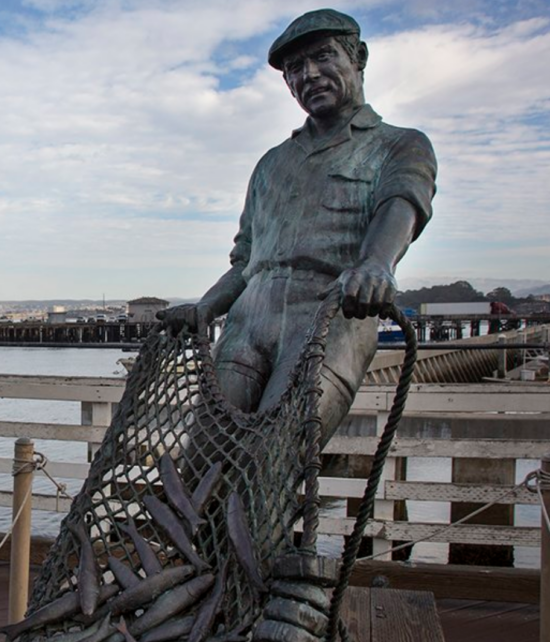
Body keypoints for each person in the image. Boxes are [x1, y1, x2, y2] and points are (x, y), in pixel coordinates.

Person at [162, 9, 437, 443]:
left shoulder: (399, 145)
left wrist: (376, 264)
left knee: (275, 460)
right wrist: (206, 307)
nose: (308, 75)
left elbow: (403, 202)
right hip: (249, 323)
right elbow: (245, 261)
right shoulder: (271, 164)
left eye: (323, 57)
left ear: (358, 57)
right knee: (203, 455)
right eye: (294, 69)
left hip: (329, 319)